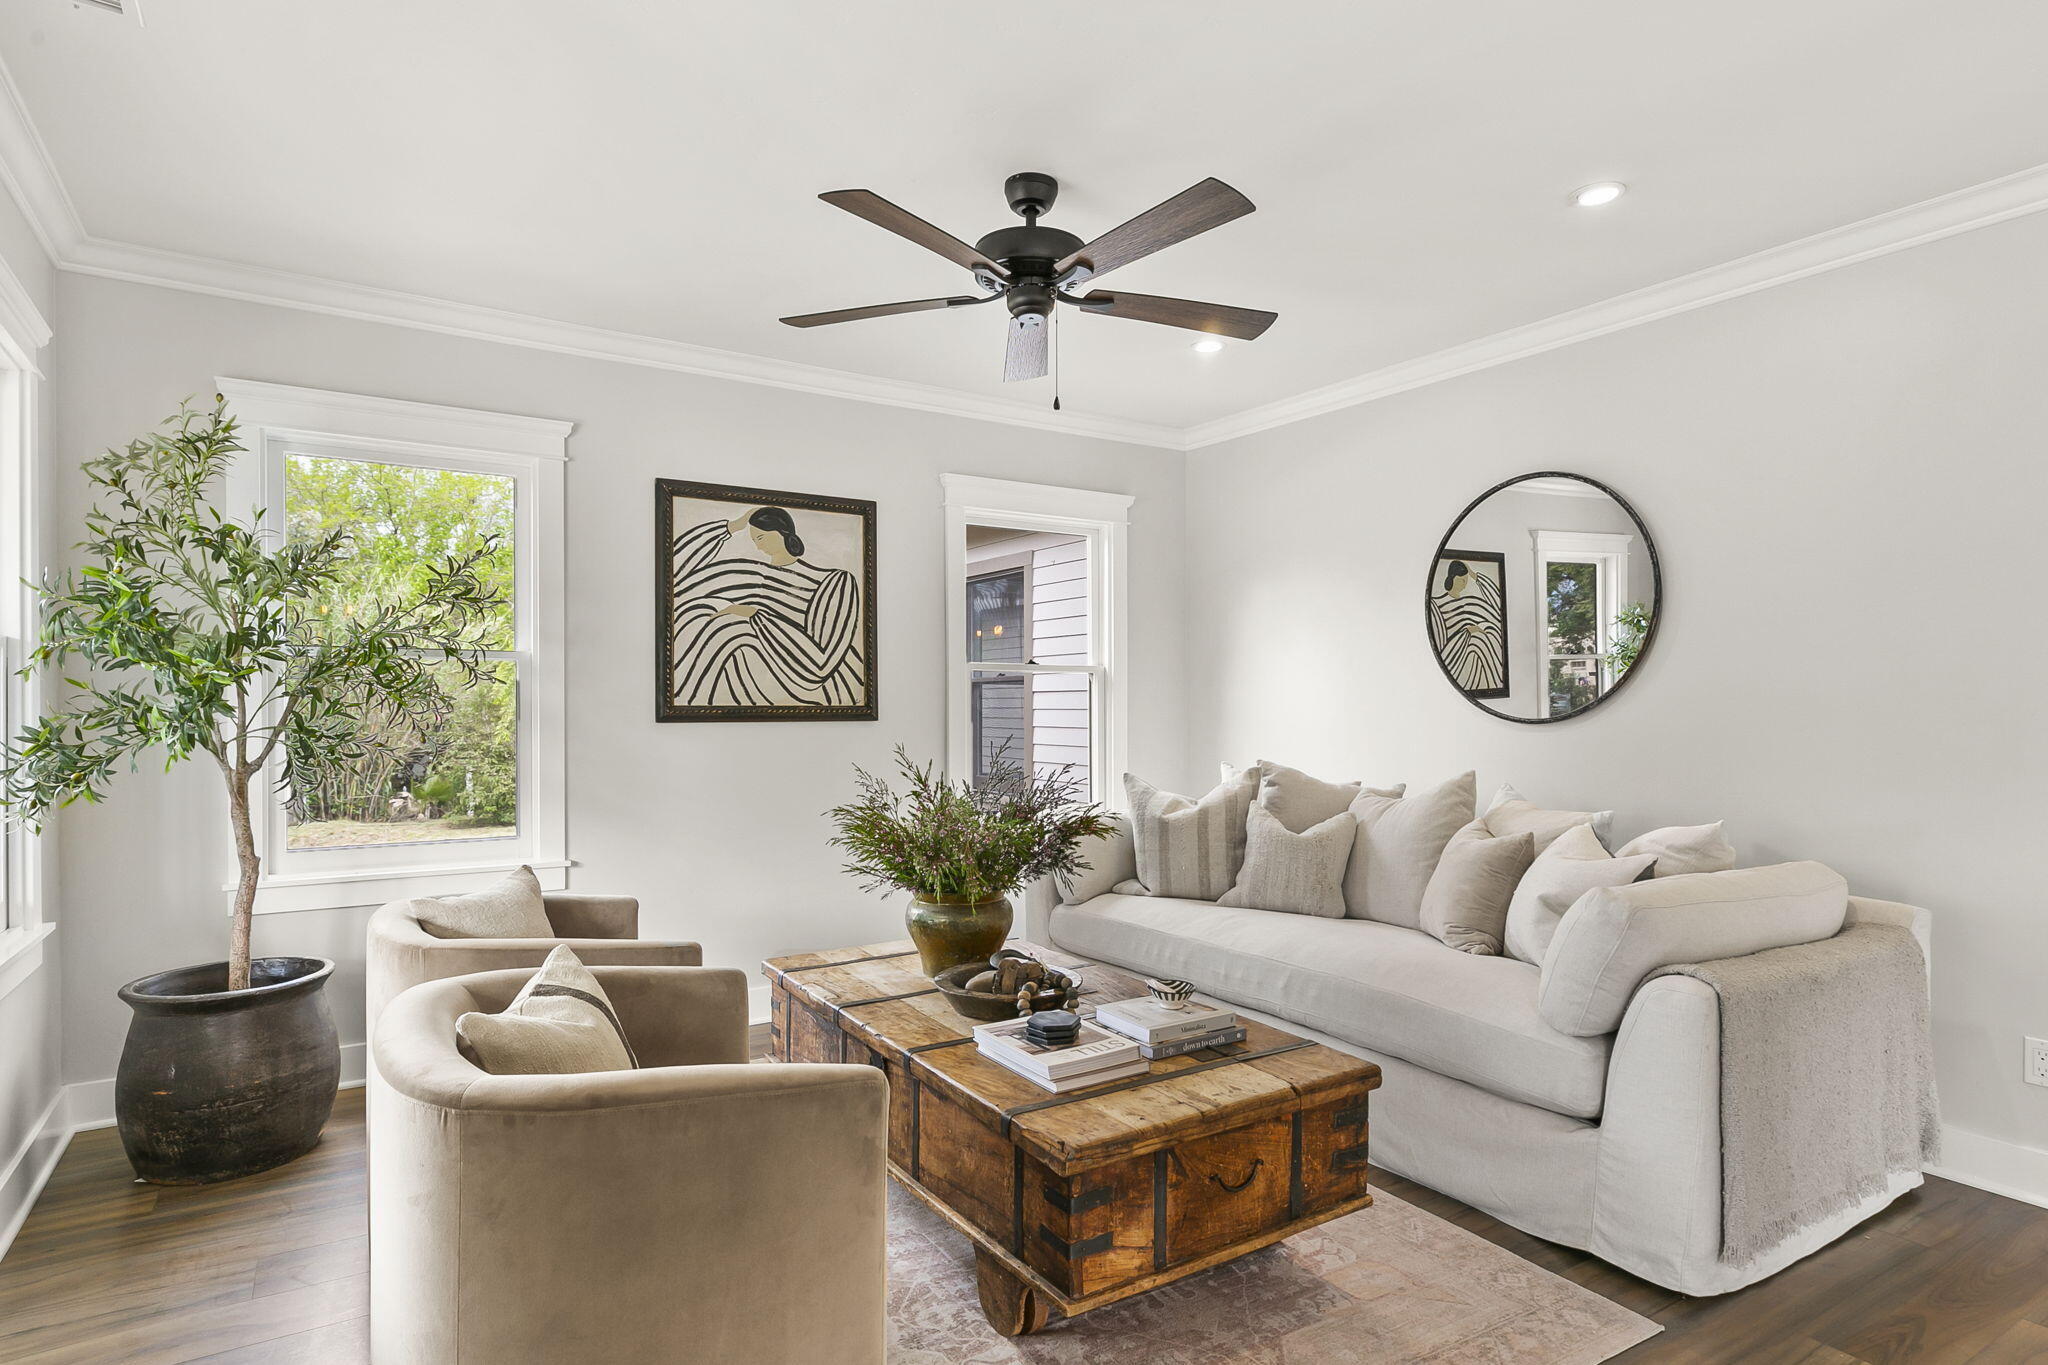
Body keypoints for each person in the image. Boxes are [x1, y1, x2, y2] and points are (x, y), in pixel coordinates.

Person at [669, 506, 863, 706]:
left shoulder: (833, 581)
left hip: (809, 686)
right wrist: (732, 527)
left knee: (730, 625)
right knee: (704, 611)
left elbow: (820, 665)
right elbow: (672, 579)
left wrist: (754, 615)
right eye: (754, 540)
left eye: (760, 538)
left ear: (782, 533)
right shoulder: (747, 573)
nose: (758, 547)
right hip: (745, 687)